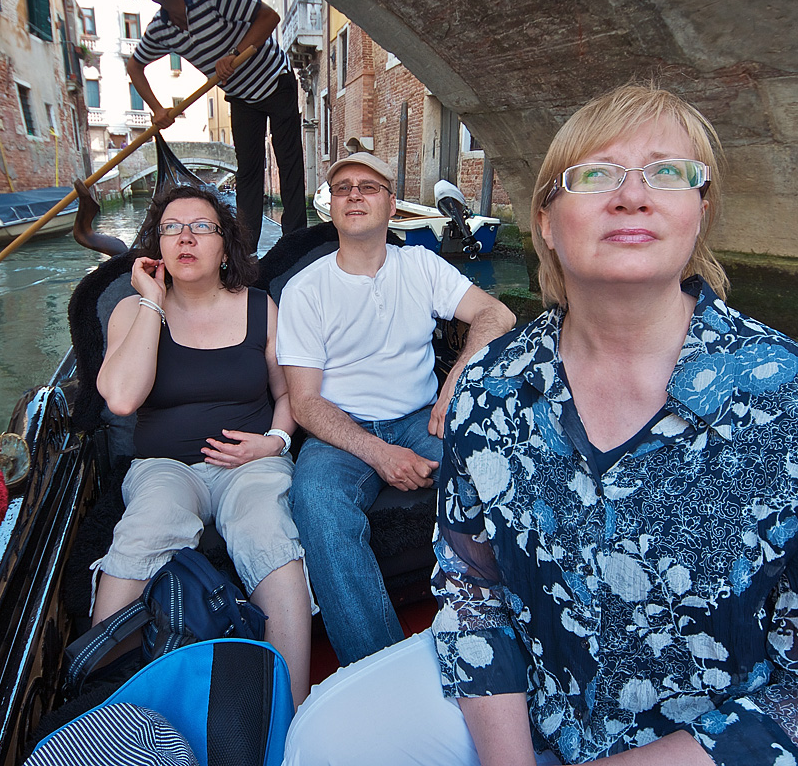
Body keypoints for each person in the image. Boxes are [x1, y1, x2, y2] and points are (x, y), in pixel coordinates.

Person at [283, 84, 798, 765]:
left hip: (721, 740)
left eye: (667, 172)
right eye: (595, 175)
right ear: (547, 224)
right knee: (325, 728)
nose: (632, 195)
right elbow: (475, 592)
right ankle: (362, 652)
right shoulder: (491, 387)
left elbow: (492, 313)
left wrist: (451, 382)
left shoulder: (783, 397)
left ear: (699, 213)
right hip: (355, 435)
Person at [277, 152, 516, 666]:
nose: (354, 194)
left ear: (391, 205)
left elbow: (496, 314)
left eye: (368, 186)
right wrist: (380, 454)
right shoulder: (305, 289)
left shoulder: (421, 265)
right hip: (340, 431)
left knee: (495, 468)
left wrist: (456, 377)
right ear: (331, 207)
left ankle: (510, 628)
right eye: (343, 188)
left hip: (420, 417)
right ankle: (378, 666)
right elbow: (305, 402)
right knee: (316, 500)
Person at [91, 183, 311, 706]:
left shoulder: (259, 307)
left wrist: (274, 442)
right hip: (164, 466)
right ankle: (102, 708)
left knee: (267, 532)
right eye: (172, 228)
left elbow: (288, 394)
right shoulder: (131, 311)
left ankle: (293, 712)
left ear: (224, 247)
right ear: (158, 246)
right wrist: (153, 303)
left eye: (201, 228)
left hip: (250, 465)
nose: (185, 238)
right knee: (146, 529)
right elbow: (121, 398)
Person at [125, 0, 306, 249]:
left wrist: (234, 54)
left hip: (275, 79)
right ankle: (245, 250)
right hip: (241, 95)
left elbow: (269, 17)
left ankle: (296, 244)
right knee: (248, 173)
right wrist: (157, 109)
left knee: (289, 164)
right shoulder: (160, 29)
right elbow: (134, 67)